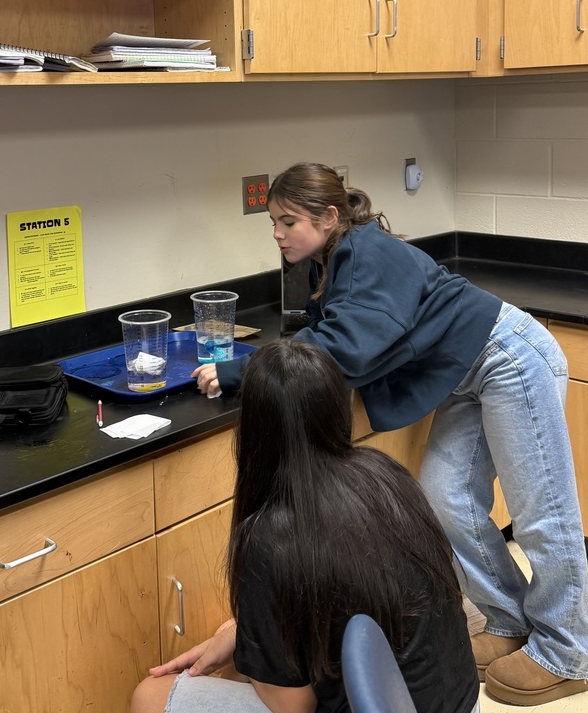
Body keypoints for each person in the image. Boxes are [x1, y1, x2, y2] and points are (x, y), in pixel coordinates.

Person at [193, 162, 588, 706]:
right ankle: (508, 621)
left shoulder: (363, 252)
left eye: (287, 222)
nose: (278, 234)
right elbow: (339, 328)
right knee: (447, 503)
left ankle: (570, 652)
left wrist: (242, 369)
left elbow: (351, 343)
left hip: (507, 357)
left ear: (329, 217)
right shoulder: (339, 258)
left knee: (543, 513)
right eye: (273, 224)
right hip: (465, 372)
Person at [133, 338, 480, 713]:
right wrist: (244, 637)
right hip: (461, 703)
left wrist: (249, 655)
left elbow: (293, 706)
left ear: (253, 430)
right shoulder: (386, 474)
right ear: (338, 409)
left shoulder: (270, 537)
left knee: (150, 697)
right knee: (240, 649)